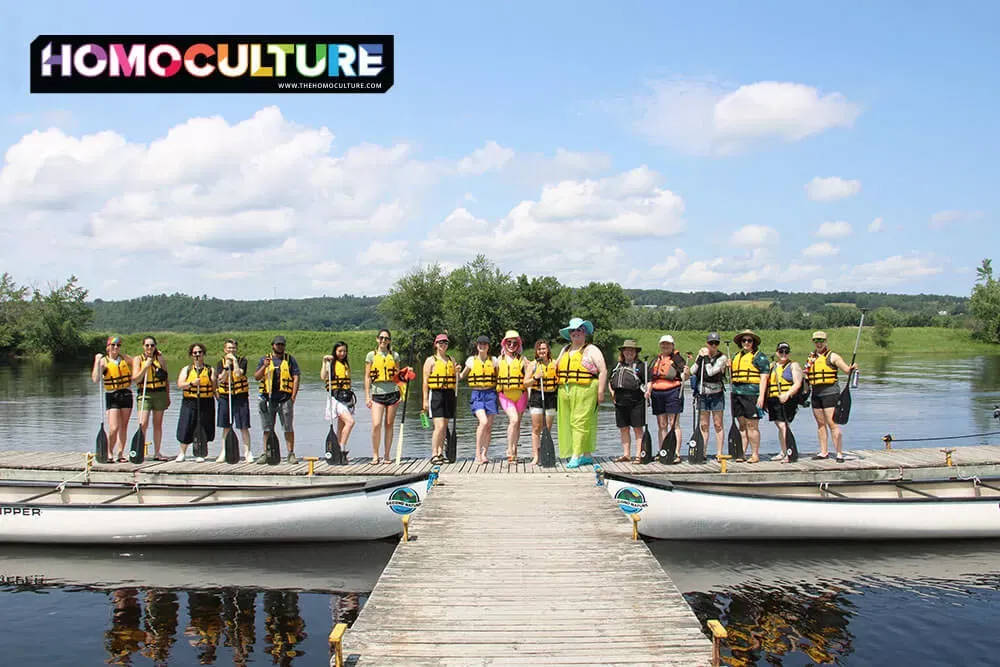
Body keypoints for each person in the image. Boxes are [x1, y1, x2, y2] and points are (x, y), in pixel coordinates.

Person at [554, 317, 607, 468]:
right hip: (565, 389)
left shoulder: (591, 349)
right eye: (572, 331)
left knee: (580, 422)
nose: (575, 333)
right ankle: (587, 455)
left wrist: (601, 391)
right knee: (570, 423)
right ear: (569, 334)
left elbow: (603, 371)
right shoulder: (565, 349)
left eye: (579, 330)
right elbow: (555, 366)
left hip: (586, 389)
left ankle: (576, 455)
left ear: (585, 333)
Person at [805, 331, 858, 463]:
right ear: (813, 342)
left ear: (825, 342)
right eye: (816, 341)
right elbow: (807, 375)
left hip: (830, 392)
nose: (819, 343)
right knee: (820, 424)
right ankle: (824, 452)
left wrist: (852, 368)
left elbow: (846, 370)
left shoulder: (832, 356)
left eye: (821, 341)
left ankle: (839, 453)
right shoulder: (811, 357)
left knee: (832, 424)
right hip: (816, 393)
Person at [254, 335, 301, 464]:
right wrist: (264, 366)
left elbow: (296, 377)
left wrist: (293, 396)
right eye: (278, 344)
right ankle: (266, 452)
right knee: (267, 428)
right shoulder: (265, 359)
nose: (280, 347)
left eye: (282, 345)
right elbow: (257, 377)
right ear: (273, 345)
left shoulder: (290, 360)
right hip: (267, 399)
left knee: (288, 428)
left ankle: (290, 454)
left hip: (285, 399)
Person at [729, 329, 770, 463]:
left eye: (749, 340)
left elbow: (764, 378)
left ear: (753, 343)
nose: (746, 343)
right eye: (744, 340)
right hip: (737, 394)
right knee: (741, 424)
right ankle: (742, 453)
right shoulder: (736, 356)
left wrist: (762, 397)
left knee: (752, 425)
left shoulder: (759, 357)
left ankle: (755, 454)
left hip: (752, 394)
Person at [91, 336, 134, 462]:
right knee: (114, 427)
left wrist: (152, 356)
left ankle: (120, 453)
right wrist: (96, 361)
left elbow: (139, 363)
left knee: (124, 426)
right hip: (112, 395)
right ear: (108, 347)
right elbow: (95, 379)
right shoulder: (104, 361)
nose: (116, 348)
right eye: (113, 345)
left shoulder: (125, 358)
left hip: (126, 394)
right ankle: (109, 452)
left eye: (118, 345)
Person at [646, 334, 687, 460]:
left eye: (668, 344)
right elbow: (650, 379)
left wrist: (686, 373)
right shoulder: (655, 360)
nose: (665, 346)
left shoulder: (677, 359)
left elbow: (685, 375)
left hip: (673, 392)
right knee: (661, 424)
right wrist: (648, 391)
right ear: (660, 345)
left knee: (673, 423)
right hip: (657, 394)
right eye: (663, 344)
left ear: (672, 345)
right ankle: (663, 450)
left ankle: (676, 452)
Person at [131, 335, 171, 461]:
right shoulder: (138, 359)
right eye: (147, 345)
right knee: (142, 423)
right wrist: (145, 367)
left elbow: (166, 379)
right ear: (143, 347)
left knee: (157, 424)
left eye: (152, 345)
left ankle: (157, 452)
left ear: (155, 346)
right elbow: (136, 379)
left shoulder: (160, 358)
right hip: (145, 394)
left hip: (159, 393)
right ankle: (139, 450)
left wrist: (168, 395)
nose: (149, 347)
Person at [459, 334, 498, 465]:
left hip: (491, 394)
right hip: (477, 394)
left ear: (488, 347)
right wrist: (455, 371)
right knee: (483, 421)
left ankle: (484, 454)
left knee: (489, 426)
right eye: (480, 344)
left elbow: (499, 377)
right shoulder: (471, 360)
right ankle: (477, 453)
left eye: (485, 344)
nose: (482, 346)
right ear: (477, 346)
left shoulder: (494, 361)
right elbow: (462, 375)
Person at [364, 329, 401, 464]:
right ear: (377, 339)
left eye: (386, 338)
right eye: (381, 338)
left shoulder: (395, 356)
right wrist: (367, 396)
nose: (383, 341)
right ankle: (375, 455)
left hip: (392, 393)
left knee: (389, 424)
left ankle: (386, 455)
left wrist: (401, 393)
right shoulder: (371, 356)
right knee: (376, 424)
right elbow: (367, 377)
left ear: (389, 341)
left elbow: (399, 376)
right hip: (377, 393)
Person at [689, 332, 728, 458]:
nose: (713, 346)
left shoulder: (722, 358)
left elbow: (711, 372)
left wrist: (705, 358)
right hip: (703, 393)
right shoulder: (701, 356)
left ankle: (719, 453)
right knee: (704, 424)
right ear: (707, 343)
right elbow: (692, 371)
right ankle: (703, 451)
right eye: (711, 343)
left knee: (718, 424)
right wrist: (700, 358)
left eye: (716, 343)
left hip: (717, 393)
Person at [422, 333, 459, 465]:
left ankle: (441, 453)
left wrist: (457, 372)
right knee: (439, 426)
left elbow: (456, 378)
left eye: (445, 342)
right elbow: (425, 381)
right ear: (436, 344)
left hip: (449, 393)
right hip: (436, 394)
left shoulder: (451, 360)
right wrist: (425, 400)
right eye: (440, 342)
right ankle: (434, 453)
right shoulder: (430, 360)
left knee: (444, 426)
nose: (443, 345)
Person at [175, 342, 216, 462]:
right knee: (186, 425)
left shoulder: (210, 369)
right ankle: (182, 453)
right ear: (191, 355)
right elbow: (180, 384)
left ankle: (200, 452)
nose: (197, 355)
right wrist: (192, 383)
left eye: (200, 352)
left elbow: (214, 387)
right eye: (195, 353)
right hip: (190, 401)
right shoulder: (186, 369)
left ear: (203, 354)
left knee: (204, 425)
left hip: (206, 401)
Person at [215, 338, 253, 463]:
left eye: (233, 348)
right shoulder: (220, 363)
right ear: (225, 349)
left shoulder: (243, 361)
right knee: (226, 426)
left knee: (243, 426)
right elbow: (221, 379)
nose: (231, 350)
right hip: (226, 396)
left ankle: (247, 452)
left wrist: (235, 361)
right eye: (229, 348)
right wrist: (226, 367)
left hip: (240, 396)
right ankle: (224, 451)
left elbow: (238, 374)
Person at [608, 339, 646, 463]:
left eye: (631, 350)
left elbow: (648, 382)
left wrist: (648, 392)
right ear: (623, 352)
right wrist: (612, 393)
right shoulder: (617, 365)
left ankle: (639, 455)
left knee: (637, 428)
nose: (629, 352)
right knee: (623, 428)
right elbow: (610, 381)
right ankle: (626, 455)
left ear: (635, 352)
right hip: (620, 401)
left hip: (636, 401)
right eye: (626, 350)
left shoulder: (640, 366)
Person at [767, 341, 803, 463]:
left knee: (783, 425)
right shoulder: (772, 366)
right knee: (780, 425)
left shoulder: (793, 365)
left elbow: (797, 383)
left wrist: (787, 394)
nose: (783, 354)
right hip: (773, 399)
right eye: (781, 351)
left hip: (787, 399)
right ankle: (783, 451)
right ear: (777, 352)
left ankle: (789, 451)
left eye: (786, 352)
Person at [524, 339, 557, 466]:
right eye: (539, 349)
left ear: (548, 349)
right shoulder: (533, 365)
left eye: (544, 348)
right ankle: (536, 456)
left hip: (550, 397)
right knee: (536, 428)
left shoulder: (554, 364)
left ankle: (545, 455)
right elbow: (525, 383)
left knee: (547, 428)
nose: (542, 351)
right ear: (536, 351)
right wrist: (535, 377)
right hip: (537, 396)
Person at [496, 330, 528, 463]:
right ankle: (509, 450)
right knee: (513, 420)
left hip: (521, 395)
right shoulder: (498, 360)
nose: (511, 345)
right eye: (509, 342)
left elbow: (529, 378)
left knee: (517, 424)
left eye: (515, 343)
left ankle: (515, 450)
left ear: (518, 344)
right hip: (505, 395)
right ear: (504, 343)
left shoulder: (523, 360)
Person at [321, 341, 357, 459]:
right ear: (335, 352)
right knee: (350, 422)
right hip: (335, 399)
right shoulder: (331, 363)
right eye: (340, 351)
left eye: (344, 351)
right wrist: (324, 362)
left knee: (341, 427)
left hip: (346, 398)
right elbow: (323, 377)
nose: (342, 353)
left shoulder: (345, 364)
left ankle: (338, 451)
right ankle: (341, 447)